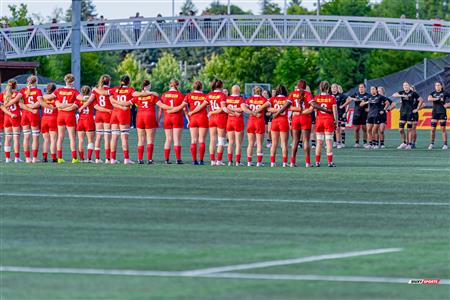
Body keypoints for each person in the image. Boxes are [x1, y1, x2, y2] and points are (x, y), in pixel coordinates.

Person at [95, 75, 135, 164]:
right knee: (124, 137)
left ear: (121, 81)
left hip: (114, 114)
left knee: (114, 137)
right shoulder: (131, 90)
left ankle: (112, 159)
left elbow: (104, 93)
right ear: (128, 82)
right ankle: (126, 159)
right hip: (123, 114)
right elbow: (136, 96)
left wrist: (95, 89)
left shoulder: (115, 89)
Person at [44, 74, 80, 163]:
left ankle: (59, 158)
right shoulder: (75, 91)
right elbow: (81, 99)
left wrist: (61, 107)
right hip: (69, 115)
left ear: (65, 81)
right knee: (72, 138)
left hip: (60, 115)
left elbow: (46, 97)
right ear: (73, 81)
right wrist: (69, 105)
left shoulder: (59, 90)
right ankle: (74, 158)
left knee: (60, 137)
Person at [287, 80, 314, 167]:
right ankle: (307, 163)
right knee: (306, 140)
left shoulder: (292, 93)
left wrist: (296, 109)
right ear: (305, 87)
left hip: (295, 118)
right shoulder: (308, 94)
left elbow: (289, 106)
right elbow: (312, 107)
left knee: (295, 140)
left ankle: (292, 162)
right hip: (305, 118)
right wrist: (304, 111)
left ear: (297, 86)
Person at [241, 86, 270, 167]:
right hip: (259, 121)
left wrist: (251, 112)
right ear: (261, 92)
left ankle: (249, 162)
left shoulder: (249, 99)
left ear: (253, 91)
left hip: (251, 121)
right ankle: (259, 162)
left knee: (250, 143)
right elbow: (268, 109)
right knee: (259, 143)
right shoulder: (264, 99)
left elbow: (244, 108)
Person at [311, 81, 338, 167]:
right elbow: (335, 111)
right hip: (328, 120)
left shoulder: (316, 98)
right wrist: (336, 121)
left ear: (320, 88)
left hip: (319, 120)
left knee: (319, 142)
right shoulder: (332, 98)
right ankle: (329, 162)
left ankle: (317, 162)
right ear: (328, 88)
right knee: (329, 142)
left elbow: (314, 111)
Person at [133, 80, 160, 164]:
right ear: (148, 86)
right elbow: (161, 105)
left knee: (140, 139)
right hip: (149, 116)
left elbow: (128, 103)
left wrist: (117, 103)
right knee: (150, 139)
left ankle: (140, 159)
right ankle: (149, 160)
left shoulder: (138, 96)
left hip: (140, 116)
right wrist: (170, 108)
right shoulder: (152, 95)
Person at [160, 79, 186, 164]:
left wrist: (158, 119)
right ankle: (178, 159)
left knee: (168, 139)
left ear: (169, 85)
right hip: (177, 117)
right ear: (177, 85)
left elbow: (161, 109)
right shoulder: (180, 95)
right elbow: (184, 108)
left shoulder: (164, 95)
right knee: (177, 139)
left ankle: (166, 159)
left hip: (167, 118)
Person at [18, 75, 43, 163]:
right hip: (33, 114)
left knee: (26, 137)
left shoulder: (22, 90)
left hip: (24, 114)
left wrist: (27, 107)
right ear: (35, 82)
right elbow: (39, 104)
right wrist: (32, 108)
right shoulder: (38, 91)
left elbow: (20, 104)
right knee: (35, 137)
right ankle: (34, 158)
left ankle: (27, 158)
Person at [392, 82, 423, 150]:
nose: (405, 86)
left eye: (406, 85)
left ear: (409, 86)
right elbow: (394, 95)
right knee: (400, 129)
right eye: (404, 85)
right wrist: (402, 96)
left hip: (410, 113)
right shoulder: (402, 92)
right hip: (403, 112)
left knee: (409, 129)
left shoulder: (413, 93)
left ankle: (409, 144)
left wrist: (417, 109)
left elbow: (421, 100)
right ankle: (404, 143)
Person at [184, 81, 209, 165]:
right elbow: (209, 108)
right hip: (203, 118)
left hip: (193, 119)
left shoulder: (189, 95)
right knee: (202, 140)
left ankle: (194, 160)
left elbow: (184, 108)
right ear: (201, 87)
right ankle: (201, 160)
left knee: (193, 140)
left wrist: (188, 119)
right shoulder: (205, 96)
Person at [341, 83, 370, 148]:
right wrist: (354, 99)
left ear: (365, 88)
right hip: (356, 114)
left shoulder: (368, 95)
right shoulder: (356, 94)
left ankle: (365, 142)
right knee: (356, 129)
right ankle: (357, 142)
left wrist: (368, 108)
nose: (361, 88)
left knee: (364, 129)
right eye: (360, 87)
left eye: (362, 87)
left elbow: (371, 102)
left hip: (365, 114)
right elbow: (349, 98)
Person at [268, 85, 291, 167]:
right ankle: (284, 163)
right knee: (284, 144)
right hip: (283, 121)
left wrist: (276, 110)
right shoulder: (287, 99)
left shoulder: (273, 99)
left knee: (274, 143)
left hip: (274, 121)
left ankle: (272, 162)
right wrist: (281, 110)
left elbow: (268, 109)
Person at [92, 74, 113, 163]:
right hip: (107, 114)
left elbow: (94, 105)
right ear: (109, 82)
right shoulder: (110, 90)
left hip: (98, 115)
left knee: (98, 136)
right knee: (107, 137)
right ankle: (107, 159)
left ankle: (97, 158)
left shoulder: (96, 91)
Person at [206, 79, 227, 166]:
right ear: (221, 86)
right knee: (221, 140)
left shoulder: (209, 95)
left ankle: (212, 161)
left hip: (212, 120)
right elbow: (222, 108)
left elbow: (205, 105)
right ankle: (218, 161)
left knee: (212, 140)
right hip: (220, 118)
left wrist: (210, 112)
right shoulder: (222, 95)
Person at [0, 79, 22, 163]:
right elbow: (20, 104)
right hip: (15, 116)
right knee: (16, 138)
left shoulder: (3, 94)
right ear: (15, 85)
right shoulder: (17, 94)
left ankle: (7, 158)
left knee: (7, 138)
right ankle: (17, 158)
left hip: (6, 117)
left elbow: (2, 106)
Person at [225, 85, 245, 166]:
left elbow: (225, 108)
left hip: (229, 121)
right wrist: (235, 112)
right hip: (238, 121)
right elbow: (242, 109)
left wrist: (231, 110)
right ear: (239, 90)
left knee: (230, 142)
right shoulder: (240, 99)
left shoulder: (227, 98)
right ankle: (237, 161)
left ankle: (230, 161)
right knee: (238, 143)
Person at [75, 86, 96, 162]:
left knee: (80, 140)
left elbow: (75, 107)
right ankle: (89, 158)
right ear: (89, 91)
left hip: (80, 120)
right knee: (90, 140)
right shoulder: (92, 98)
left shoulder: (78, 99)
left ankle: (81, 159)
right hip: (89, 120)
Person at [427, 81, 450, 150]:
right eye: (436, 85)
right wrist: (438, 98)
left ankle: (445, 144)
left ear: (441, 86)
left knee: (443, 128)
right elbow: (429, 99)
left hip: (442, 112)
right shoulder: (433, 93)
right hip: (435, 112)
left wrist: (448, 104)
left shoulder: (445, 93)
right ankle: (431, 143)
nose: (437, 86)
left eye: (438, 85)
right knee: (433, 129)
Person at [39, 83, 58, 163]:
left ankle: (44, 157)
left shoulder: (43, 97)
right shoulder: (56, 97)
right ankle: (54, 157)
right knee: (53, 140)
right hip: (53, 118)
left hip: (44, 118)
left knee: (46, 140)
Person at [331, 84, 347, 149]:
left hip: (339, 114)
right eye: (332, 87)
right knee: (330, 130)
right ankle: (332, 142)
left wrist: (343, 106)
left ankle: (339, 143)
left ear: (337, 89)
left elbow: (349, 99)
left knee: (338, 129)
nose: (333, 88)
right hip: (330, 114)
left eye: (335, 87)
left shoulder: (341, 95)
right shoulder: (329, 95)